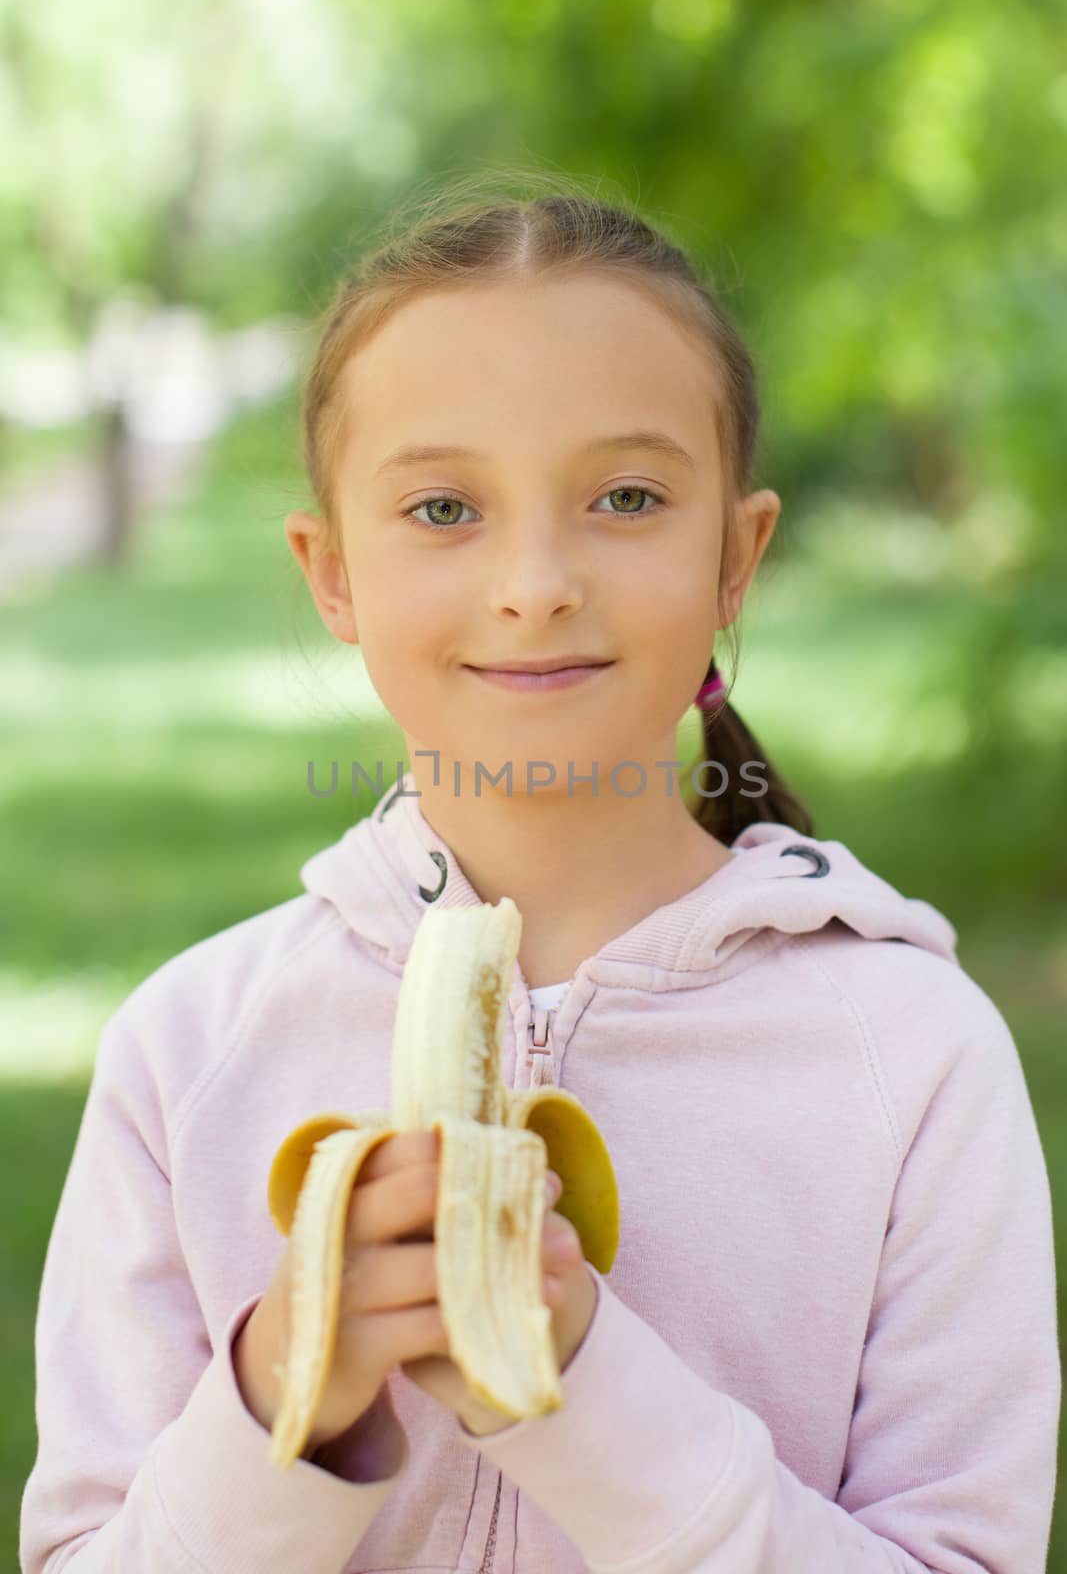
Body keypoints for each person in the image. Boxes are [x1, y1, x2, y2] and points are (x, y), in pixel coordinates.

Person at [20, 175, 1059, 1574]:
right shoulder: (188, 1055)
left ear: (735, 556)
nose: (534, 581)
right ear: (331, 575)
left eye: (625, 497)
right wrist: (284, 1399)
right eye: (444, 508)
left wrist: (574, 1384)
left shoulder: (915, 1062)